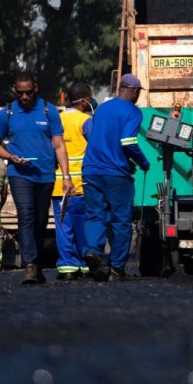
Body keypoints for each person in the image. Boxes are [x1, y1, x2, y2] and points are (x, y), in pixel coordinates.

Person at [0, 71, 74, 285]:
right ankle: (30, 264)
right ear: (14, 90)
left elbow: (59, 145)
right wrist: (10, 157)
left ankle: (36, 265)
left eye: (28, 92)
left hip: (45, 175)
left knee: (40, 220)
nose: (24, 97)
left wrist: (66, 176)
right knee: (26, 215)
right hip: (20, 175)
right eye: (20, 93)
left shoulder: (49, 111)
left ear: (35, 88)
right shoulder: (7, 113)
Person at [81, 73, 150, 280]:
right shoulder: (133, 112)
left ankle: (93, 250)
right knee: (120, 220)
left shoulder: (102, 108)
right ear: (135, 91)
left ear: (119, 88)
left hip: (91, 171)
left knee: (95, 215)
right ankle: (116, 269)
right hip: (116, 175)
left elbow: (88, 129)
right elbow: (127, 141)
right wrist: (143, 163)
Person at [52, 82, 95, 281]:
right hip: (80, 185)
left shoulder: (57, 119)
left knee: (63, 227)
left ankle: (67, 266)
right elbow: (96, 148)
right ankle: (84, 264)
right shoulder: (85, 121)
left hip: (58, 186)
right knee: (81, 226)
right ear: (85, 100)